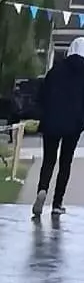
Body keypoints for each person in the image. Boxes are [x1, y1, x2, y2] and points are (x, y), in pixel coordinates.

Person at [32, 36, 84, 216]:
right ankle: (57, 203)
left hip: (51, 122)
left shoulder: (55, 70)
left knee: (48, 160)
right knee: (65, 162)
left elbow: (42, 95)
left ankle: (42, 189)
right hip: (74, 125)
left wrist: (43, 115)